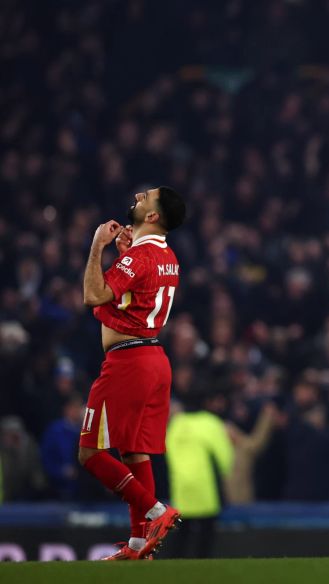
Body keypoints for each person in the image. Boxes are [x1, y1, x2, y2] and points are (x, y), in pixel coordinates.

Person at [78, 186, 186, 560]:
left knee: (89, 452)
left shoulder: (139, 257)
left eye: (148, 197)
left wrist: (97, 246)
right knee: (135, 453)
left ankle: (157, 512)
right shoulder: (167, 256)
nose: (140, 195)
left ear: (153, 216)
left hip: (129, 361)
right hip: (155, 359)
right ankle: (139, 544)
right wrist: (125, 255)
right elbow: (134, 295)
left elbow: (93, 295)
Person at [166, 390, 234, 558]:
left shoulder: (176, 423)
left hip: (182, 488)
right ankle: (203, 566)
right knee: (206, 533)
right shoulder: (210, 423)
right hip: (206, 488)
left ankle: (174, 567)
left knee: (182, 533)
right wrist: (224, 472)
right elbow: (225, 456)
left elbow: (167, 450)